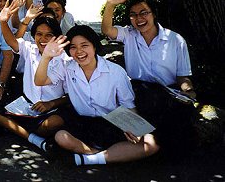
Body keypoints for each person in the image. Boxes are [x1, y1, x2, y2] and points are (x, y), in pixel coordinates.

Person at [35, 25, 159, 165]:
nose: (79, 51)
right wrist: (46, 56)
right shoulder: (67, 67)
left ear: (94, 46)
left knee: (151, 143)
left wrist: (131, 127)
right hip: (81, 122)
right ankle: (99, 154)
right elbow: (40, 81)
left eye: (84, 45)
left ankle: (89, 158)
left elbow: (128, 105)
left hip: (112, 122)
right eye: (73, 47)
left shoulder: (115, 72)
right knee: (61, 137)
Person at [101, 0, 196, 151]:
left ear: (154, 14)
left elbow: (183, 76)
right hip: (139, 91)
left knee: (182, 116)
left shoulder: (175, 40)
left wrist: (187, 90)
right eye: (133, 15)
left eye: (144, 13)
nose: (139, 18)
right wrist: (111, 3)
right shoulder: (129, 34)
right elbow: (107, 30)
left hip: (168, 92)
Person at [0, 0, 67, 152]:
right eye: (39, 34)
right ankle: (32, 138)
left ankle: (19, 129)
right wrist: (4, 21)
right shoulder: (30, 49)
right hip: (26, 105)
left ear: (56, 37)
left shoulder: (65, 59)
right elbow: (11, 41)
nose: (43, 40)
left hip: (50, 110)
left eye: (48, 35)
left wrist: (51, 104)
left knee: (55, 123)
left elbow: (70, 96)